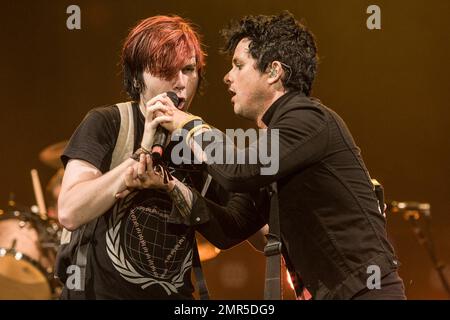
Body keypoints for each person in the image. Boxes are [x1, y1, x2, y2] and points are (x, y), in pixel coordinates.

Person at [156, 11, 406, 300]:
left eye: (238, 65)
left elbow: (238, 170)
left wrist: (188, 123)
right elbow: (232, 227)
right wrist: (173, 187)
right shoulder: (277, 142)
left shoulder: (308, 119)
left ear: (274, 72)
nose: (227, 77)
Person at [57, 15, 265, 299]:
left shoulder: (200, 143)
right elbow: (70, 211)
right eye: (167, 70)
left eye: (190, 69)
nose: (181, 83)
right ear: (137, 76)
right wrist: (138, 158)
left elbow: (256, 233)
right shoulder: (108, 122)